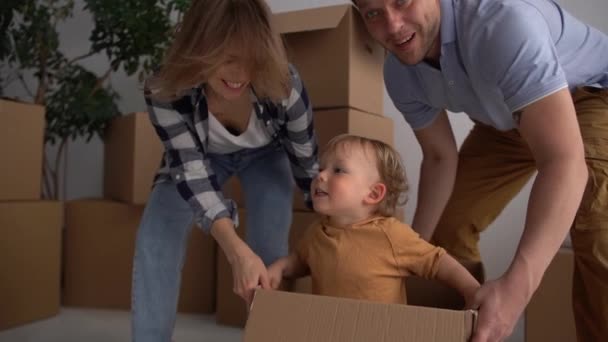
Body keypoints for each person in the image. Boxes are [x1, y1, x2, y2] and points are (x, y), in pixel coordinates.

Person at [351, 0, 608, 341]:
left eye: (402, 1)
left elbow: (563, 161)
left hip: (590, 97)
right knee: (447, 228)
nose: (394, 25)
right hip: (505, 120)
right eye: (373, 14)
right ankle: (465, 330)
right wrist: (411, 250)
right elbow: (440, 157)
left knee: (596, 229)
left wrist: (515, 290)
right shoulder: (399, 73)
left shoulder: (503, 22)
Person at [130, 1, 318, 341]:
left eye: (251, 58)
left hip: (267, 156)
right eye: (227, 57)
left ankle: (267, 334)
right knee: (156, 237)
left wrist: (337, 217)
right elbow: (190, 171)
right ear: (198, 47)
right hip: (197, 160)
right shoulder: (163, 90)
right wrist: (235, 250)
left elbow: (306, 164)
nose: (239, 74)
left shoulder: (286, 85)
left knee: (269, 244)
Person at [267, 134, 480, 307]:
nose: (320, 176)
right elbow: (301, 261)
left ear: (373, 194)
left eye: (338, 170)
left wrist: (471, 290)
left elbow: (437, 261)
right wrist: (280, 267)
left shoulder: (391, 235)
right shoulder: (316, 232)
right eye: (321, 168)